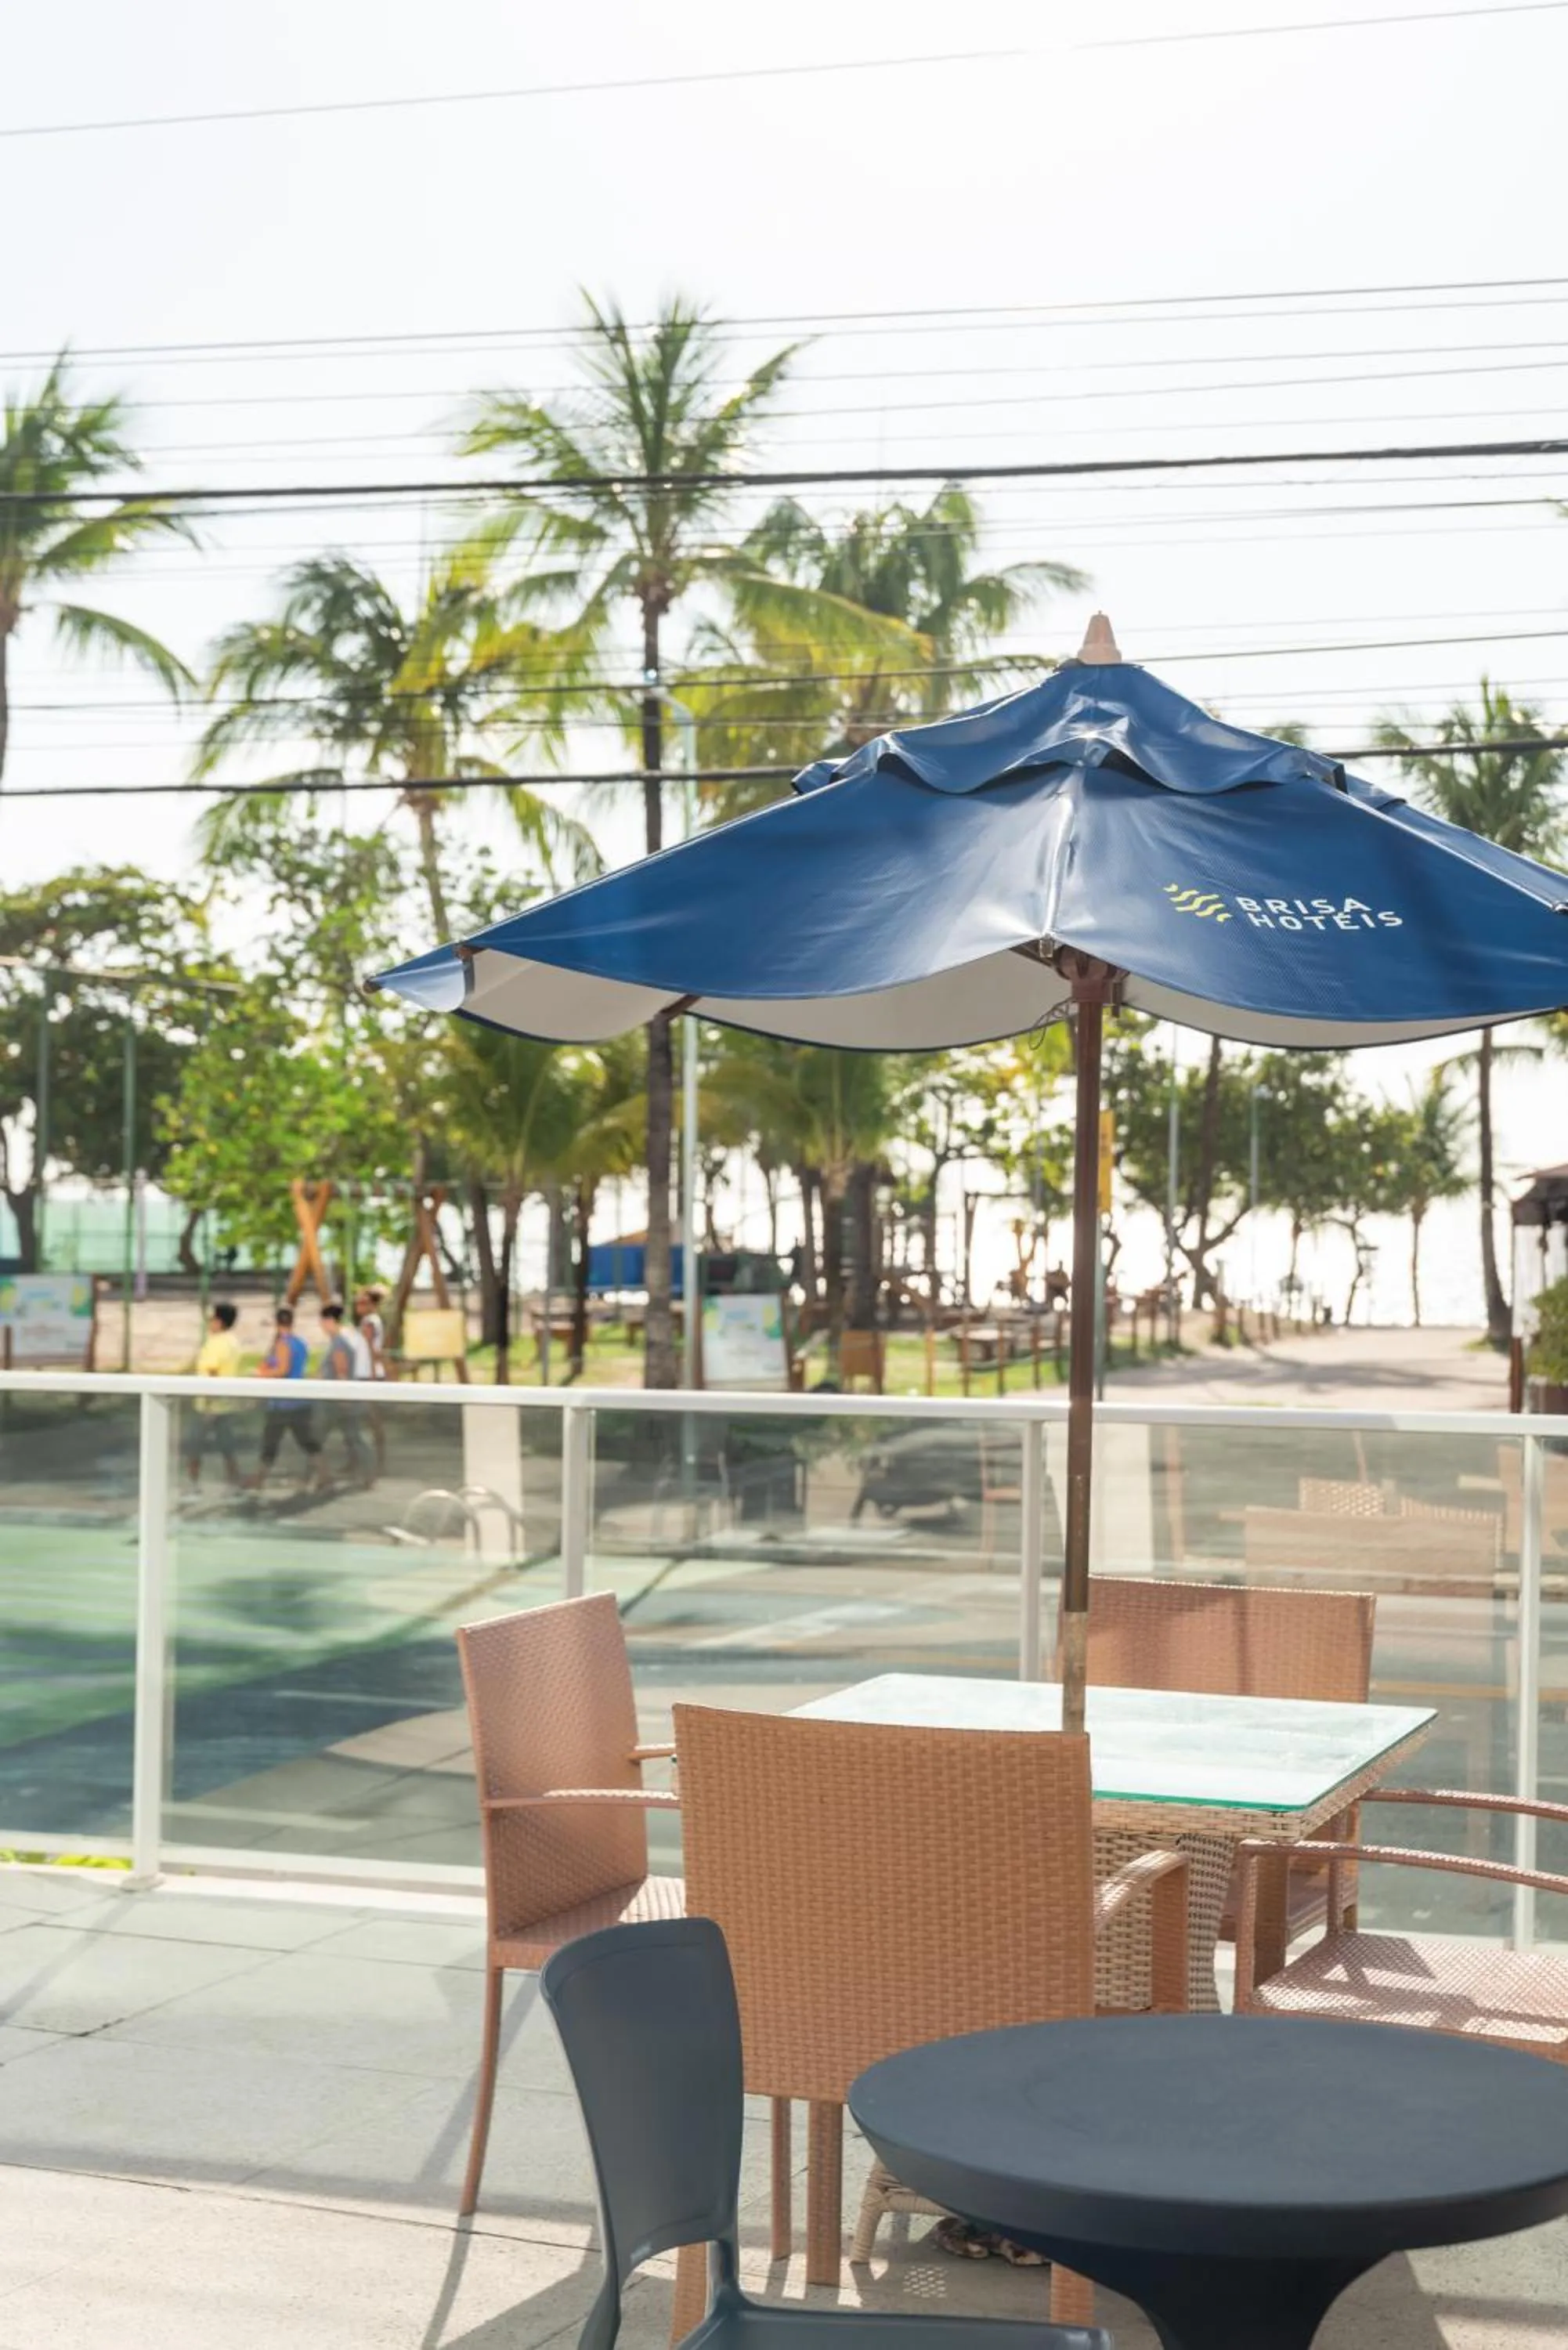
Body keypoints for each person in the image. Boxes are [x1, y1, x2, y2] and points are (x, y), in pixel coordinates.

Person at [255, 1304, 323, 1485]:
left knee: (270, 1442)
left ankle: (259, 1479)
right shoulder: (299, 1343)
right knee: (308, 1442)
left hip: (283, 1403)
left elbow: (282, 1370)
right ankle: (325, 1475)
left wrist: (261, 1375)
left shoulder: (283, 1344)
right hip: (299, 1400)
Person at [182, 1300, 244, 1489]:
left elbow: (212, 1373)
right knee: (227, 1447)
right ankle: (234, 1481)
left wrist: (209, 1404)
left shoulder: (216, 1344)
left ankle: (193, 1484)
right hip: (227, 1404)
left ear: (219, 1321)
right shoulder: (233, 1342)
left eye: (212, 1319)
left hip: (209, 1406)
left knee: (194, 1446)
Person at [320, 1298, 374, 1485]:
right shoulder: (343, 1338)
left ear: (329, 1321)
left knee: (351, 1436)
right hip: (341, 1399)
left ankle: (366, 1474)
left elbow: (341, 1371)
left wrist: (344, 1398)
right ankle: (362, 1472)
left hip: (340, 1400)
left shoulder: (339, 1343)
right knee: (352, 1436)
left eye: (323, 1322)